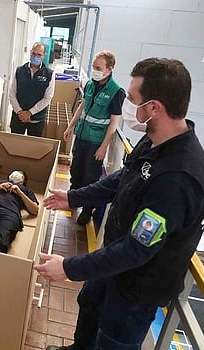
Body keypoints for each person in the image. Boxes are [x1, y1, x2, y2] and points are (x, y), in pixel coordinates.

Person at [34, 58, 204, 350]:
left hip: (136, 285)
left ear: (154, 108)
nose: (126, 104)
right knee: (90, 307)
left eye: (132, 98)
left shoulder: (179, 177)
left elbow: (136, 250)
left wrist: (69, 268)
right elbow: (122, 178)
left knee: (114, 346)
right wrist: (74, 198)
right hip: (112, 263)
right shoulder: (154, 141)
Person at [63, 50, 126, 225]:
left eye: (98, 68)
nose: (95, 70)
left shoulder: (116, 91)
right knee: (76, 171)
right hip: (81, 136)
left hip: (95, 142)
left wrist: (103, 146)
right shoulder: (91, 84)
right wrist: (70, 126)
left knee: (90, 177)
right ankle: (73, 198)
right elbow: (82, 106)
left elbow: (114, 123)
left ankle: (87, 210)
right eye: (93, 67)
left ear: (109, 69)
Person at [9, 42, 55, 137]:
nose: (36, 56)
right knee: (13, 146)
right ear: (30, 52)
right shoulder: (19, 70)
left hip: (37, 119)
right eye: (34, 53)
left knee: (33, 149)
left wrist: (30, 112)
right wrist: (19, 111)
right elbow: (12, 93)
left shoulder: (49, 74)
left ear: (44, 55)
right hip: (18, 117)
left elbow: (48, 98)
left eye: (39, 54)